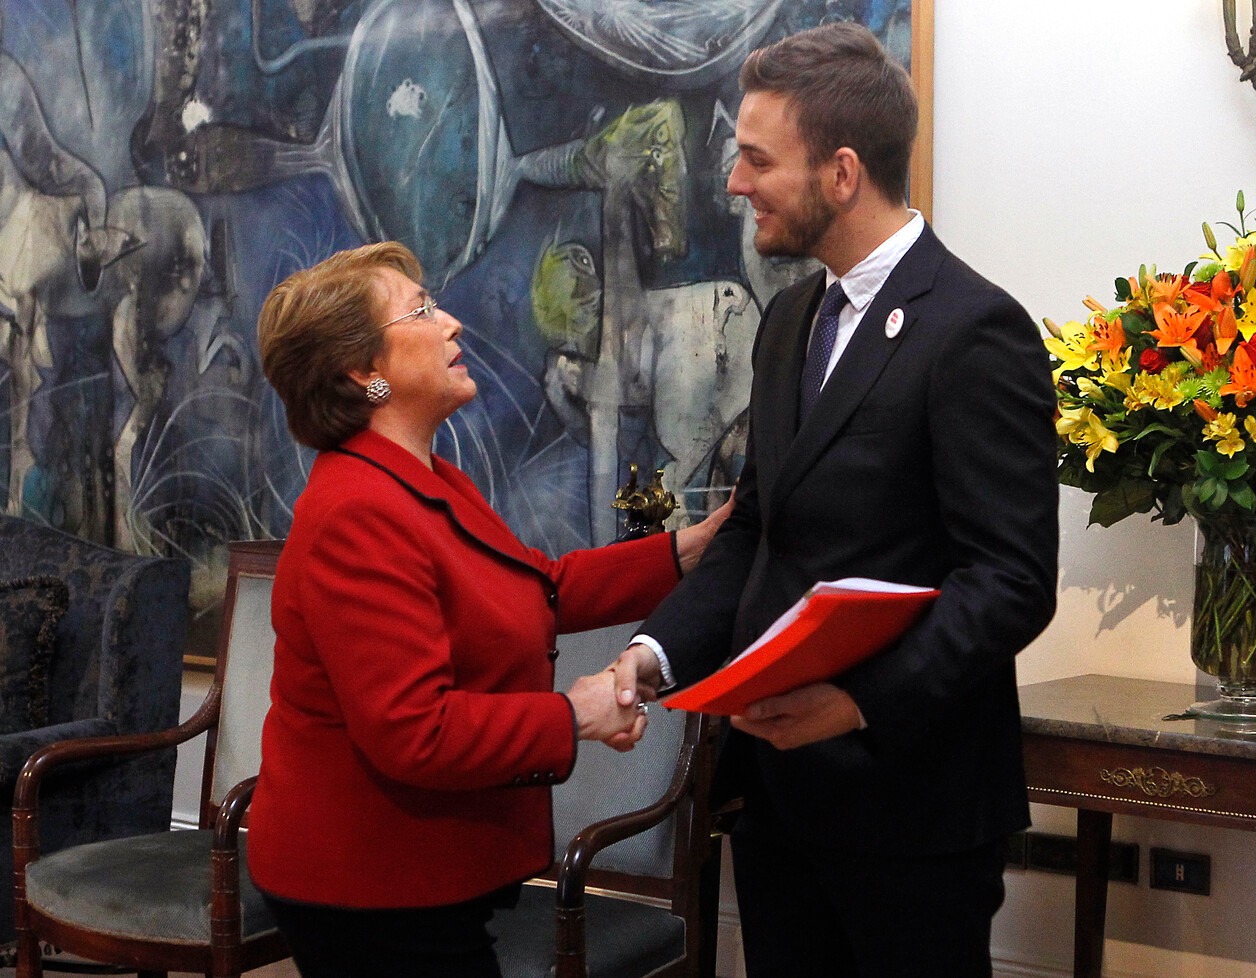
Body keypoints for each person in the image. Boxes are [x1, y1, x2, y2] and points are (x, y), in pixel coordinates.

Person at [612, 22, 1059, 978]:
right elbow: (757, 532)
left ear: (842, 171)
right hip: (779, 802)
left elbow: (1013, 582)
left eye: (756, 159)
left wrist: (857, 702)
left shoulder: (976, 330)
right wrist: (655, 653)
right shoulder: (788, 321)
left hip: (912, 808)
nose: (734, 182)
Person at [246, 241, 727, 978]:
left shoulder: (424, 481)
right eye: (422, 310)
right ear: (363, 372)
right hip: (370, 883)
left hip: (420, 876)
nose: (452, 325)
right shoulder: (357, 512)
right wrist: (576, 714)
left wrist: (689, 549)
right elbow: (415, 730)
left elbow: (544, 586)